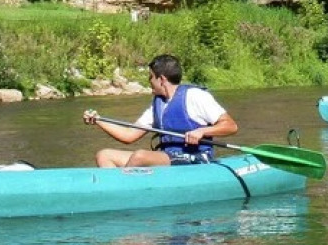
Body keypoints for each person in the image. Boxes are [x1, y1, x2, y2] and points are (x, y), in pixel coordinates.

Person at [82, 54, 237, 168]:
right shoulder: (158, 104)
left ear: (161, 79)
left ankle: (123, 190)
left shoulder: (195, 96)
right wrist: (99, 120)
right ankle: (113, 188)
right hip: (168, 157)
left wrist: (202, 131)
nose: (149, 81)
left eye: (151, 77)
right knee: (104, 155)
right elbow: (129, 136)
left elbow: (230, 126)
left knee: (140, 156)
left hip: (196, 158)